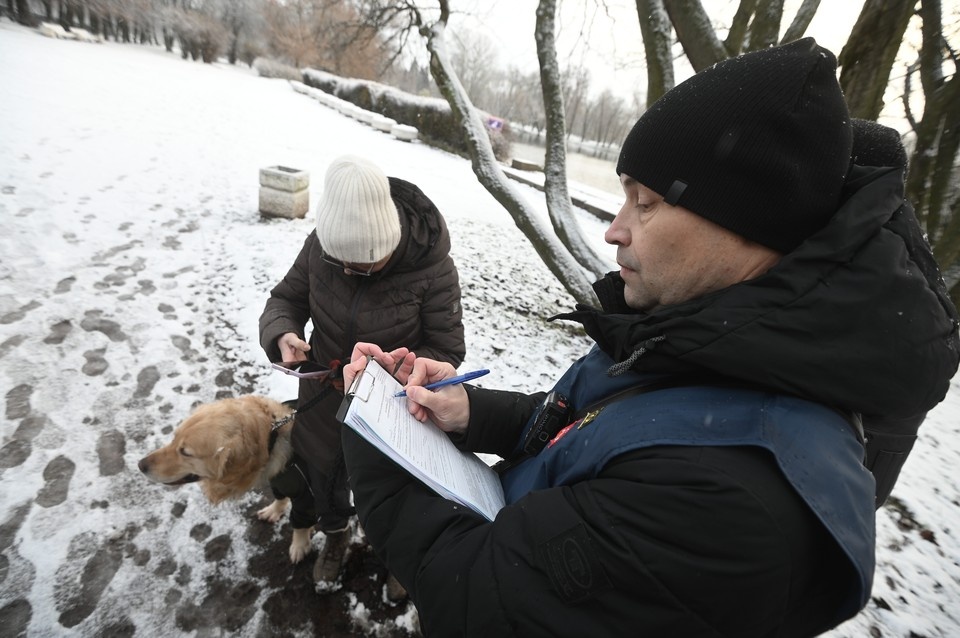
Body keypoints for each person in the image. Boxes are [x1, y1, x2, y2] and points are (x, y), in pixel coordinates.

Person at [338, 39, 960, 636]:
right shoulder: (700, 333)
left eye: (648, 202)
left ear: (750, 221)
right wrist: (468, 411)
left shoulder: (732, 504)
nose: (614, 230)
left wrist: (375, 432)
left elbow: (478, 600)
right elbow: (589, 425)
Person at [259, 155, 465, 585]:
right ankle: (336, 536)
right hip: (323, 401)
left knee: (391, 491)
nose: (350, 271)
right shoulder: (322, 245)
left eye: (365, 264)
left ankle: (397, 558)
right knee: (325, 477)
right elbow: (286, 300)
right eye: (341, 262)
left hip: (392, 411)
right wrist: (283, 335)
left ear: (390, 238)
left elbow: (446, 349)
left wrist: (393, 372)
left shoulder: (432, 268)